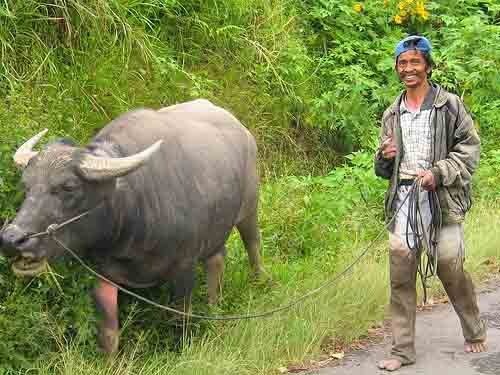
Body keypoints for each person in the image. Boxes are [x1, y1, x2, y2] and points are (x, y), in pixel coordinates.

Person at [374, 35, 487, 371]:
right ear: (397, 68)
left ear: (427, 65)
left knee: (451, 269)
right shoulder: (392, 113)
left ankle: (474, 329)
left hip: (442, 199)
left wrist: (438, 172)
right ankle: (402, 351)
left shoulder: (450, 105)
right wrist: (384, 157)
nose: (408, 68)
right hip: (404, 200)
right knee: (400, 276)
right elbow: (382, 169)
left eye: (415, 62)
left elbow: (469, 151)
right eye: (402, 63)